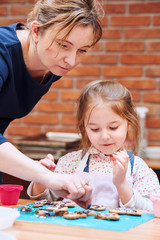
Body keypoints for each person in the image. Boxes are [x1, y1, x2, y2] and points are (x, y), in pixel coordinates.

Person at [0, 0, 104, 207]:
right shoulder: (3, 53)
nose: (71, 61)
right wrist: (46, 177)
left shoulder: (52, 64)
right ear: (36, 31)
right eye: (63, 45)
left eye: (82, 50)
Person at [28, 80, 160, 211]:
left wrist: (121, 184)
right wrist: (41, 178)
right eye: (95, 129)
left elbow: (151, 209)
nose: (104, 136)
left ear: (129, 124)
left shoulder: (138, 168)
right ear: (84, 128)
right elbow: (43, 201)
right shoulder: (70, 162)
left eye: (113, 127)